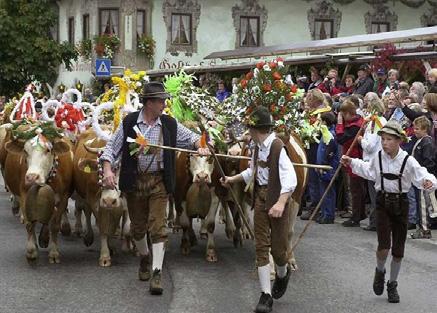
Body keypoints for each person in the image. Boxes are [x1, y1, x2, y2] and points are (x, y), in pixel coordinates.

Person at [100, 82, 210, 295]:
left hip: (159, 181)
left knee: (158, 227)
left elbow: (193, 138)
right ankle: (144, 257)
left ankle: (157, 272)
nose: (164, 104)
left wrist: (201, 145)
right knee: (138, 229)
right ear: (149, 103)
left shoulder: (169, 124)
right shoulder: (130, 122)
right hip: (134, 182)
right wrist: (107, 170)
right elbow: (109, 150)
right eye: (160, 100)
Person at [341, 120, 437, 303]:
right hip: (382, 203)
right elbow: (368, 171)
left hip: (401, 204)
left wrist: (429, 182)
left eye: (389, 140)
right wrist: (351, 162)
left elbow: (423, 174)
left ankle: (392, 284)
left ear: (399, 140)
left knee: (398, 250)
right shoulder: (377, 157)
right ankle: (379, 270)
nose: (384, 143)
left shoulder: (408, 160)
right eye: (383, 139)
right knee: (383, 246)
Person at [220, 106, 297, 313]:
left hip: (277, 199)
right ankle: (265, 295)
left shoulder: (277, 147)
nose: (248, 133)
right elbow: (253, 171)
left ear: (257, 130)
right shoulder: (256, 147)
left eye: (249, 129)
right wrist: (231, 179)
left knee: (279, 251)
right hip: (260, 200)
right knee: (261, 246)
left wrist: (280, 203)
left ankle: (282, 273)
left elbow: (291, 179)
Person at [336, 98, 367, 227]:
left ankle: (356, 216)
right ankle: (359, 213)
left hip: (355, 159)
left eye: (343, 115)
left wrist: (339, 124)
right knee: (356, 188)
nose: (342, 117)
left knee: (355, 189)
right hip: (350, 158)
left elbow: (341, 138)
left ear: (348, 113)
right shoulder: (355, 123)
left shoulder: (356, 126)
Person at [358, 95, 387, 231]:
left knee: (375, 193)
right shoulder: (377, 122)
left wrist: (360, 140)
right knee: (375, 192)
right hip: (374, 160)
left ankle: (376, 222)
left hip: (373, 161)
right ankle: (377, 221)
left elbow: (370, 145)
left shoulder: (377, 123)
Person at [409, 116, 436, 239]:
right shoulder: (420, 141)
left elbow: (429, 162)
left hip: (423, 179)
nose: (415, 131)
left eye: (418, 129)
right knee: (420, 203)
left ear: (425, 129)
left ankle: (425, 229)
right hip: (417, 178)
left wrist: (425, 177)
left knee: (423, 204)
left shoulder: (427, 142)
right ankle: (421, 227)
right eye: (414, 128)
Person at [316, 112, 340, 224]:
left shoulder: (330, 135)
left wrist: (323, 165)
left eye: (321, 121)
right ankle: (324, 212)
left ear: (325, 122)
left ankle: (329, 214)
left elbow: (328, 152)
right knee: (323, 190)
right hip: (322, 166)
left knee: (328, 191)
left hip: (327, 167)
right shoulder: (325, 133)